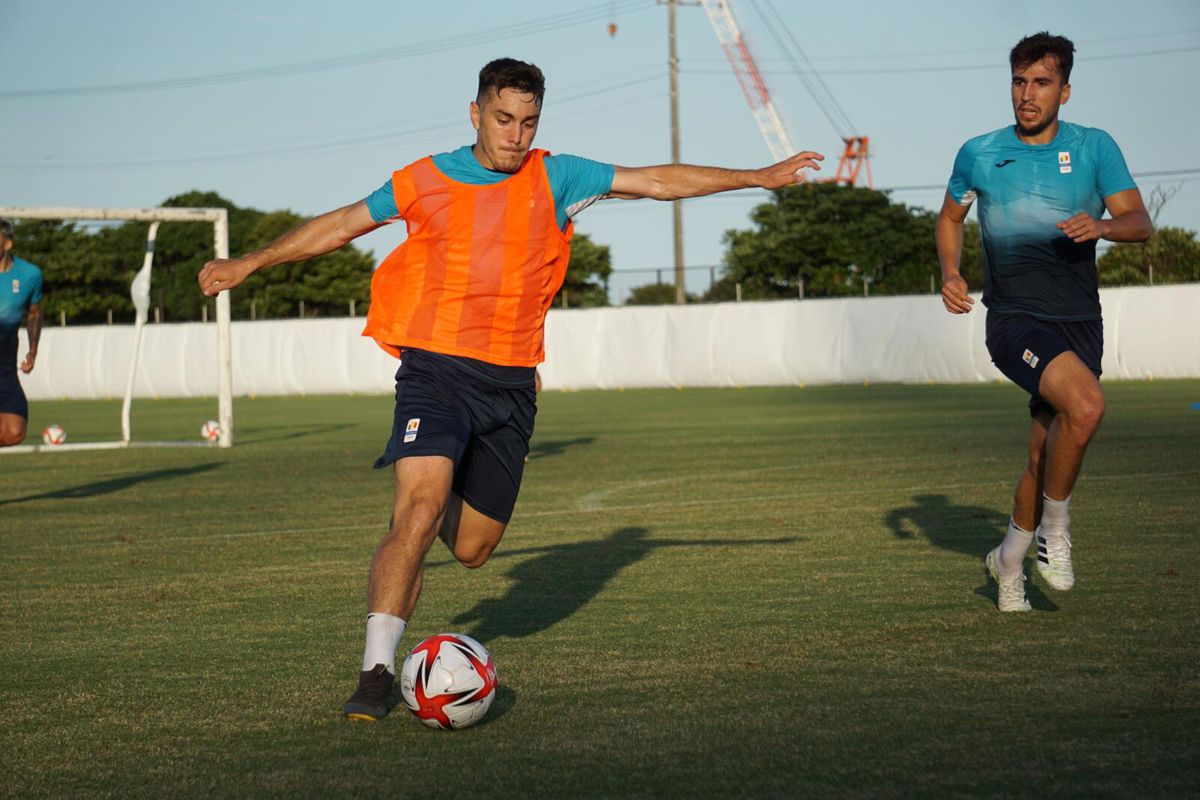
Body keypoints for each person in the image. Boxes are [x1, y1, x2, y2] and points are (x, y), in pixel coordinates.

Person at [198, 58, 823, 718]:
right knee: (416, 511)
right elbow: (342, 223)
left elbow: (658, 181)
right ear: (475, 114)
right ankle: (376, 671)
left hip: (511, 387)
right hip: (434, 370)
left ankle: (421, 513)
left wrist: (756, 177)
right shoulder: (426, 178)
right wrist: (251, 262)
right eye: (503, 119)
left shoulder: (558, 176)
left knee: (472, 549)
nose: (515, 135)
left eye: (528, 122)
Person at [936, 33, 1151, 611]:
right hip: (1013, 319)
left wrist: (1102, 227)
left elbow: (1138, 221)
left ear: (1065, 90)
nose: (1027, 95)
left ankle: (1008, 561)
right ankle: (1055, 531)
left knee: (1044, 451)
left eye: (1041, 83)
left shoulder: (1094, 147)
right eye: (1018, 82)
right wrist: (951, 272)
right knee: (1086, 406)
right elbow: (950, 217)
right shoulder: (979, 152)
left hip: (1080, 320)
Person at [0, 218, 44, 448]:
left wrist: (33, 351)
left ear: (7, 244)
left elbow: (34, 314)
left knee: (14, 431)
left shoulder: (30, 275)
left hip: (5, 366)